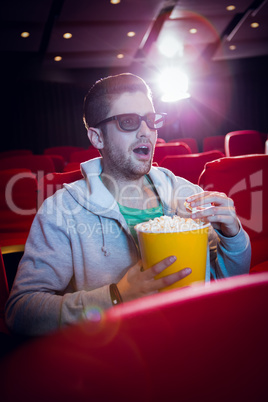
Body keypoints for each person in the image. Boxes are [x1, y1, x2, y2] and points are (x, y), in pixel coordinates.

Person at [5, 73, 251, 336]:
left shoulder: (186, 192)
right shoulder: (62, 211)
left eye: (151, 120)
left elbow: (226, 282)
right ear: (97, 138)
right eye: (128, 122)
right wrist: (115, 297)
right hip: (117, 356)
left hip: (194, 339)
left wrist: (233, 236)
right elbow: (20, 311)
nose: (146, 131)